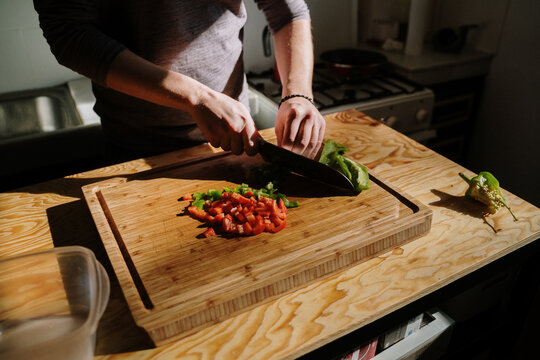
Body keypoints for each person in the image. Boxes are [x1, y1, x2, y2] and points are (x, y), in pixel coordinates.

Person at [33, 0, 326, 161]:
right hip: (135, 146)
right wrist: (195, 97)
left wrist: (298, 93)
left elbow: (288, 11)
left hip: (238, 140)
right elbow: (70, 36)